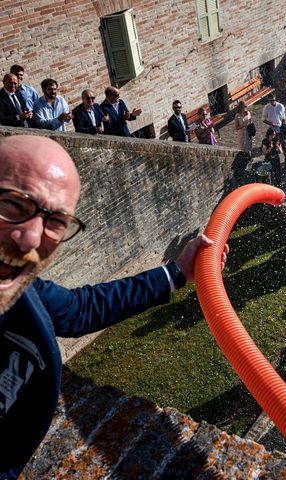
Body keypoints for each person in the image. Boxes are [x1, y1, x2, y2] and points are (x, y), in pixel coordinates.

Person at [0, 135, 224, 479]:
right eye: (14, 204)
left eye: (56, 221)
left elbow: (78, 309)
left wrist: (177, 272)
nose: (31, 237)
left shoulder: (22, 289)